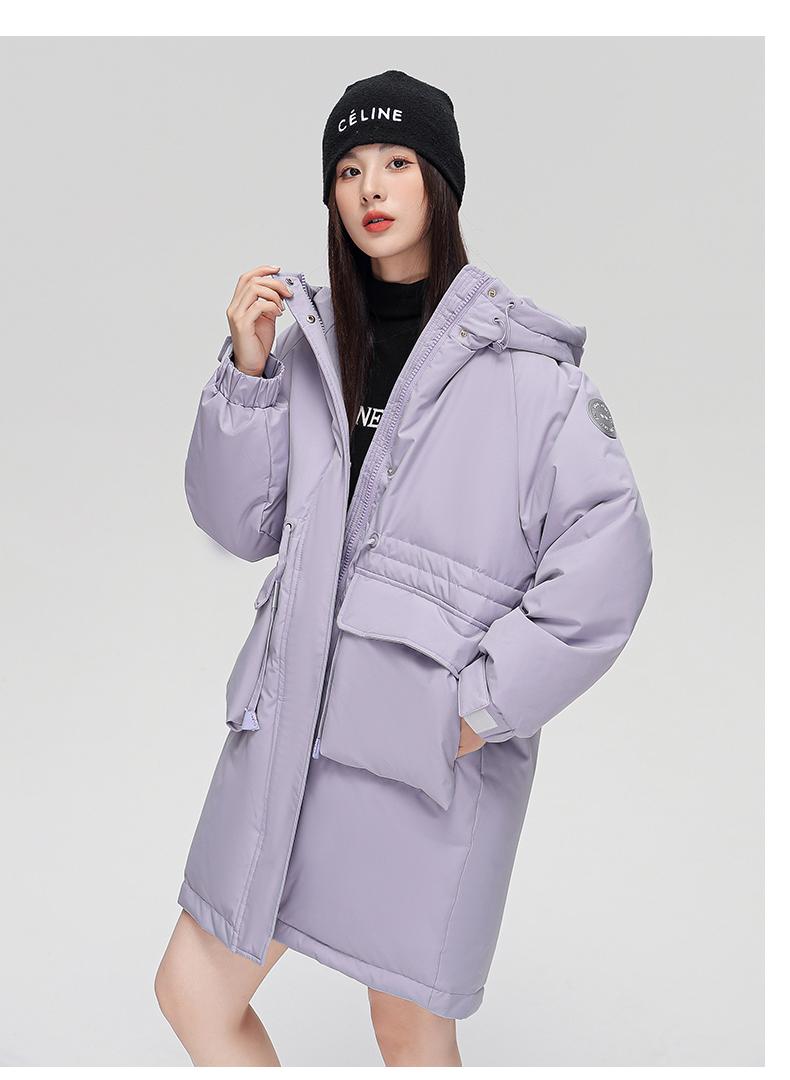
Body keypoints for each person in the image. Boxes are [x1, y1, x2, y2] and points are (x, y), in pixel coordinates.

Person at [154, 69, 654, 1067]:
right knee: (192, 992)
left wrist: (478, 707)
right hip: (287, 739)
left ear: (440, 182)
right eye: (347, 168)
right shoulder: (308, 346)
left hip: (421, 763)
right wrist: (247, 373)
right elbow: (238, 524)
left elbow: (610, 559)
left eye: (394, 161)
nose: (370, 187)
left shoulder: (528, 378)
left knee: (408, 1027)